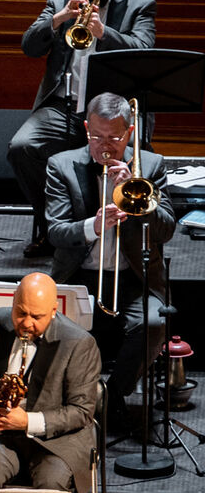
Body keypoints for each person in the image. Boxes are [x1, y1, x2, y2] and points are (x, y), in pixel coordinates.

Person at [11, 0, 156, 257]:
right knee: (22, 147)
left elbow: (144, 51)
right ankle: (55, 228)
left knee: (137, 156)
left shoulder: (139, 5)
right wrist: (59, 18)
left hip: (114, 112)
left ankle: (131, 234)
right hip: (63, 106)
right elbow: (29, 47)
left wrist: (104, 32)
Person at [45, 92, 174, 434]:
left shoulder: (151, 165)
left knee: (152, 322)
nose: (105, 147)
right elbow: (56, 232)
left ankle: (112, 394)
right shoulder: (62, 165)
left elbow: (167, 229)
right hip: (79, 276)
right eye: (97, 136)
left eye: (115, 138)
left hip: (133, 277)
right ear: (86, 128)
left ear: (129, 132)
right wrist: (93, 226)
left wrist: (137, 197)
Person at [0, 273, 100, 493]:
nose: (26, 323)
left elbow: (81, 412)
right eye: (21, 313)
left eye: (37, 316)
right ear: (13, 299)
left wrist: (27, 421)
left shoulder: (79, 343)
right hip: (4, 437)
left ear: (54, 310)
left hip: (57, 443)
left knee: (51, 483)